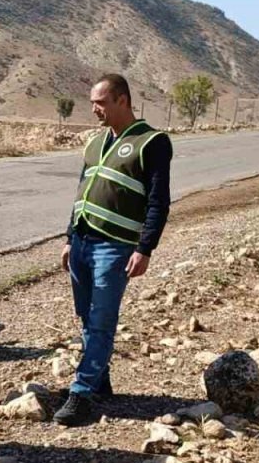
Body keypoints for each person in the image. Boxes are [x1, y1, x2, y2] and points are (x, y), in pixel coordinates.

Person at [54, 73, 172, 427]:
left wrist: (145, 248)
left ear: (123, 100)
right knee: (87, 317)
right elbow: (82, 191)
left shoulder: (152, 142)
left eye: (101, 102)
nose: (95, 109)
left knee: (102, 320)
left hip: (115, 247)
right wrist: (68, 238)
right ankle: (100, 379)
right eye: (93, 102)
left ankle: (82, 392)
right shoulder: (94, 143)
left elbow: (158, 201)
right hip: (82, 243)